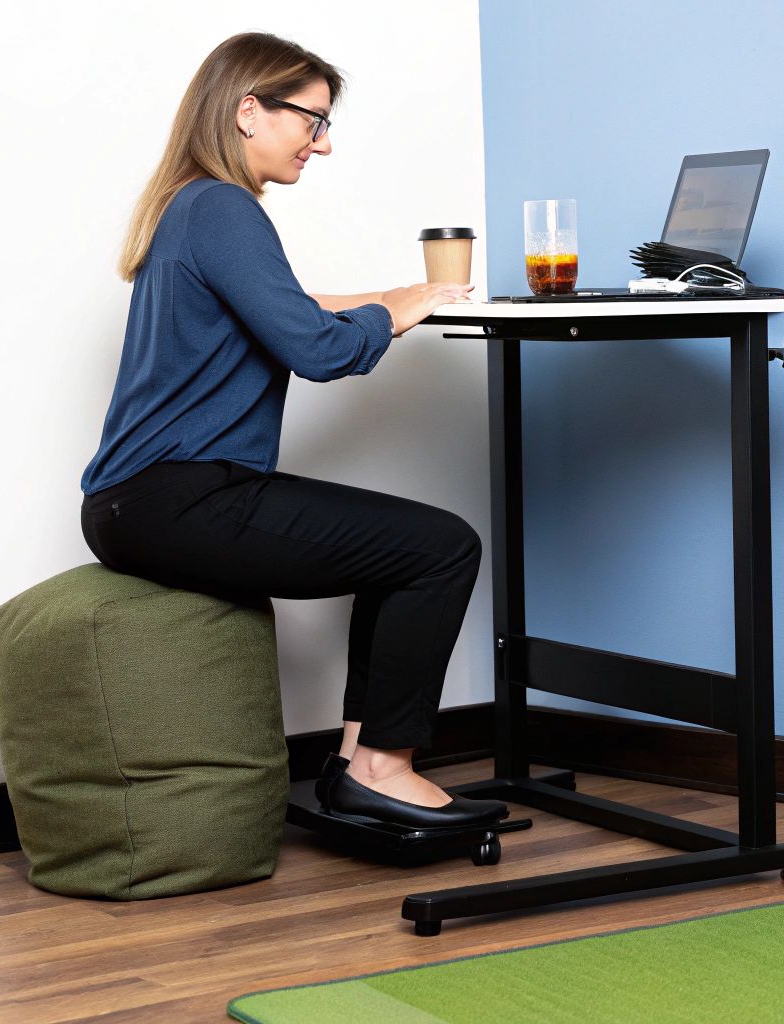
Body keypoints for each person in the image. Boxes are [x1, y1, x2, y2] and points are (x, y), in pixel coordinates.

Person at [79, 31, 506, 830]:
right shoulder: (221, 206)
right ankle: (381, 765)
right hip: (179, 498)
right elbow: (314, 350)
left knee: (407, 548)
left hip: (137, 501)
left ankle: (356, 766)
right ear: (249, 110)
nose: (325, 142)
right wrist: (393, 314)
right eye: (313, 121)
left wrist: (391, 296)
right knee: (441, 547)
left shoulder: (192, 205)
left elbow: (285, 310)